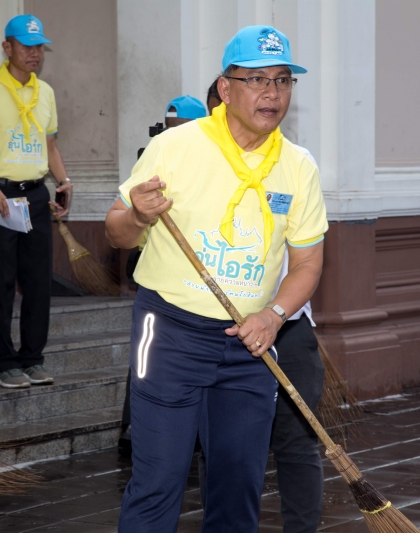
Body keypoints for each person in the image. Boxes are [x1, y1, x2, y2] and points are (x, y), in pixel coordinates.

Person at [106, 25, 327, 532]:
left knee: (237, 486)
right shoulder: (177, 147)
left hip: (250, 344)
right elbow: (116, 233)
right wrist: (137, 215)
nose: (272, 93)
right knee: (158, 481)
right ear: (225, 88)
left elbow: (308, 263)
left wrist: (274, 317)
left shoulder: (297, 167)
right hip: (170, 334)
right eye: (256, 80)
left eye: (283, 80)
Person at [0, 14, 72, 388]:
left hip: (34, 196)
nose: (34, 53)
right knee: (2, 281)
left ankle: (33, 359)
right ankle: (5, 363)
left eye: (38, 46)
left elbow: (50, 144)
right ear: (7, 48)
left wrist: (63, 180)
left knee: (38, 282)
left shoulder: (47, 92)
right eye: (26, 46)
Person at [119, 94, 208, 456]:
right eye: (168, 129)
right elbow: (123, 226)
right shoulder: (157, 156)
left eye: (181, 129)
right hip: (163, 294)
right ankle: (135, 427)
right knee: (146, 369)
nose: (173, 137)